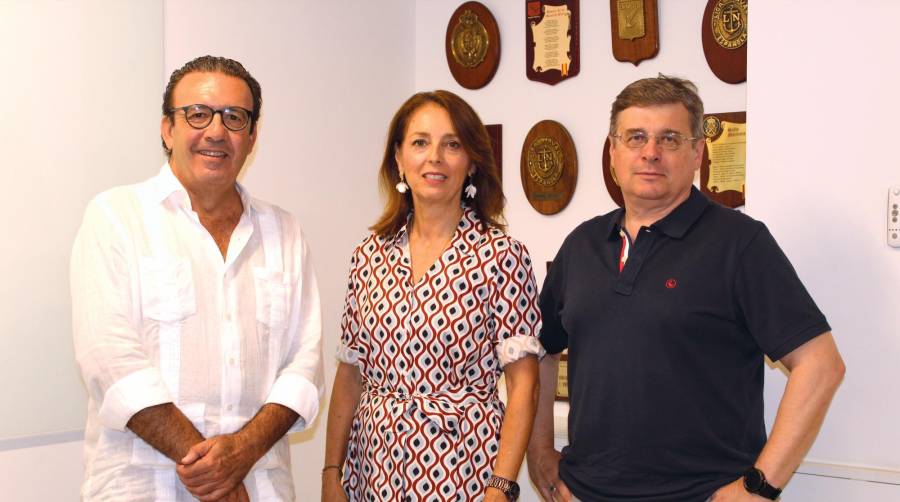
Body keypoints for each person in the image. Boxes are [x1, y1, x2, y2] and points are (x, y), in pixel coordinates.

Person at [526, 75, 845, 502]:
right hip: (585, 492)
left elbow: (821, 365)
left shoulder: (740, 243)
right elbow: (539, 351)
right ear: (613, 151)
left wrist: (759, 487)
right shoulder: (581, 245)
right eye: (635, 137)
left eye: (670, 139)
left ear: (697, 153)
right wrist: (540, 449)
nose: (651, 153)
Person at [71, 55, 323, 501]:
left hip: (261, 484)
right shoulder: (116, 218)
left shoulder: (285, 232)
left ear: (252, 136)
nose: (216, 131)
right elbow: (111, 361)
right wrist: (220, 477)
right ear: (168, 129)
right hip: (143, 486)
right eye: (198, 114)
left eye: (234, 117)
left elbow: (303, 366)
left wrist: (240, 456)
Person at [323, 90, 542, 501]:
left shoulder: (501, 256)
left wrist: (501, 486)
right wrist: (331, 472)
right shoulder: (368, 256)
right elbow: (350, 374)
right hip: (374, 470)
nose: (435, 157)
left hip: (464, 470)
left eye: (452, 144)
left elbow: (524, 385)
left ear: (472, 161)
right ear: (399, 159)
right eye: (420, 142)